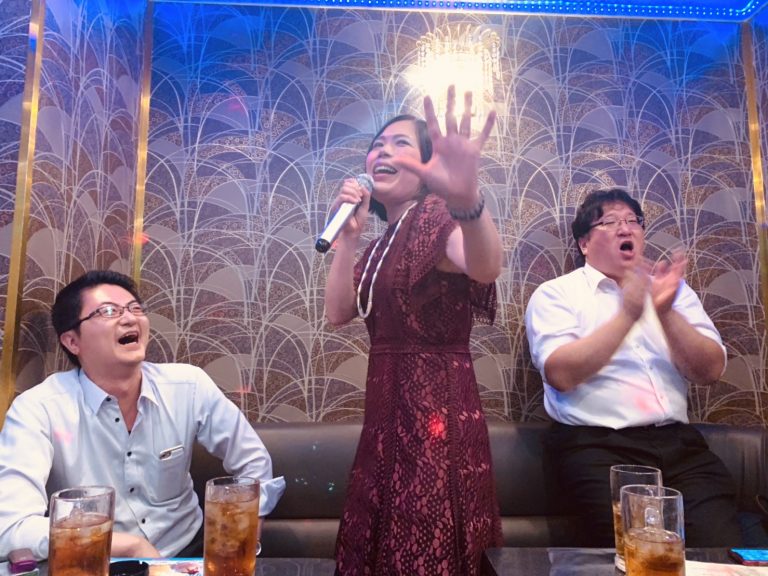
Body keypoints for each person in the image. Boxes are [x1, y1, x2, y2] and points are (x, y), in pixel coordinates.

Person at [324, 86, 503, 576]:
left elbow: (485, 266)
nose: (383, 151)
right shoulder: (381, 243)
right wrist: (349, 238)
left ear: (427, 166)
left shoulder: (437, 216)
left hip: (436, 425)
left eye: (400, 143)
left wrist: (467, 201)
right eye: (377, 145)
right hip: (385, 420)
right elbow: (338, 312)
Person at [0, 270, 286, 561]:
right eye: (108, 311)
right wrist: (129, 546)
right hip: (97, 561)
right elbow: (10, 528)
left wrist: (244, 536)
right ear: (73, 341)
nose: (129, 318)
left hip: (188, 554)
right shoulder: (38, 409)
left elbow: (253, 462)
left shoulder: (189, 385)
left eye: (135, 308)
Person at [525, 188, 742, 547]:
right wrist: (628, 313)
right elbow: (560, 374)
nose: (625, 228)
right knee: (640, 557)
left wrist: (665, 312)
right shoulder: (556, 294)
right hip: (599, 448)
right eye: (609, 222)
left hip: (681, 447)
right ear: (584, 243)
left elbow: (710, 370)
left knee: (722, 554)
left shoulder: (674, 292)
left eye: (632, 221)